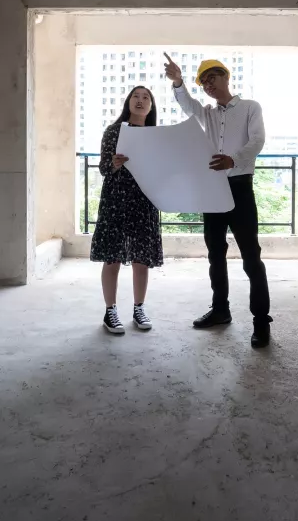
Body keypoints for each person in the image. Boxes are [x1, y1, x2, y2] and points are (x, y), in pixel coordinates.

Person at [164, 53, 272, 348]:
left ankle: (261, 321)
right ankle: (221, 310)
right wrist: (178, 82)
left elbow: (257, 141)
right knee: (215, 254)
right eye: (203, 82)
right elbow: (187, 104)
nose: (208, 84)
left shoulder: (250, 107)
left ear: (225, 76)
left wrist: (232, 160)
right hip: (212, 190)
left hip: (239, 187)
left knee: (251, 256)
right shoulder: (207, 115)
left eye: (212, 77)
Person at [90, 86, 164, 334]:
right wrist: (113, 163)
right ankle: (110, 310)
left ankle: (139, 308)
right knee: (112, 257)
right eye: (136, 96)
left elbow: (163, 170)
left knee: (141, 259)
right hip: (116, 199)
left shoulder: (155, 136)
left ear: (151, 106)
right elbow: (102, 169)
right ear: (128, 101)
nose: (140, 100)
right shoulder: (113, 131)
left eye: (146, 97)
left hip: (144, 201)